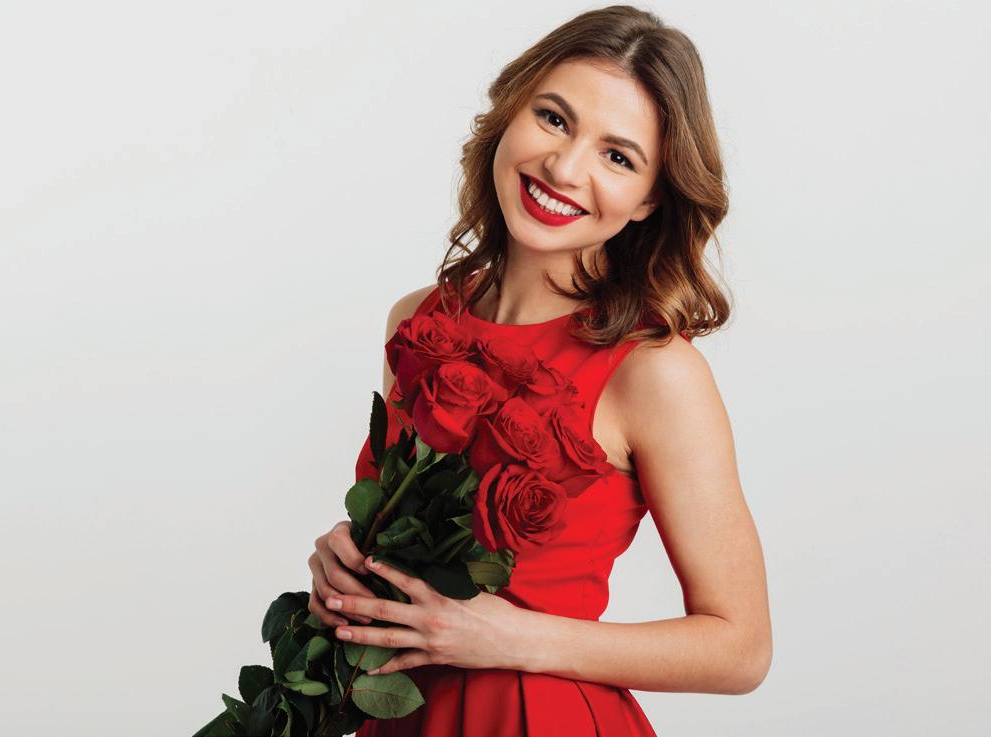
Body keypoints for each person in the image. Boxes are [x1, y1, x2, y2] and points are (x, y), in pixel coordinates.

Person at [307, 5, 771, 734]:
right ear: (510, 112)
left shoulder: (653, 370)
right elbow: (413, 533)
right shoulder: (417, 320)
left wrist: (511, 638)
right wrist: (350, 564)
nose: (564, 167)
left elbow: (740, 648)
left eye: (618, 157)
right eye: (553, 119)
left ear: (649, 199)